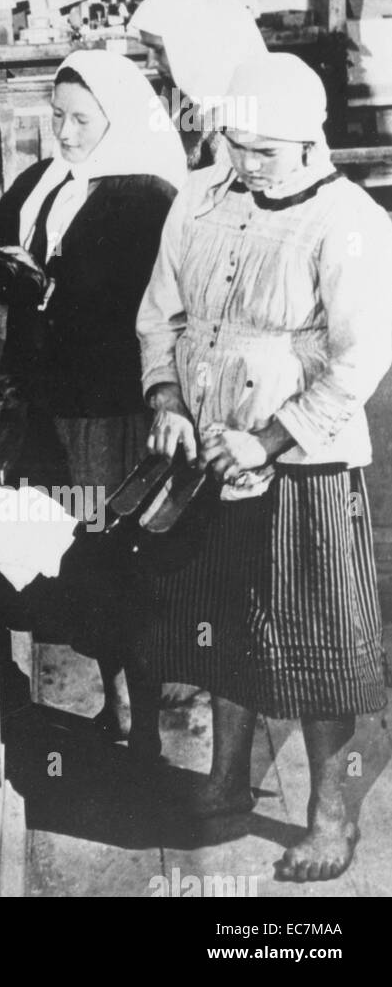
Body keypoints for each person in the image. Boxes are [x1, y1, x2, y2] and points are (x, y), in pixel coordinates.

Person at [138, 51, 392, 881]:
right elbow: (158, 314)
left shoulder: (348, 220)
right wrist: (167, 401)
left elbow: (359, 365)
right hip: (210, 452)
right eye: (234, 145)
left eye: (264, 152)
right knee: (221, 622)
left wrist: (269, 437)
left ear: (309, 140)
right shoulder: (200, 200)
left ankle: (327, 815)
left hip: (302, 467)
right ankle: (225, 779)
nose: (245, 165)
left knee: (312, 644)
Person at [0, 50, 187, 760]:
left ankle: (144, 719)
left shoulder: (145, 194)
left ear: (118, 120)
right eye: (56, 117)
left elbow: (146, 308)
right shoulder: (44, 180)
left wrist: (48, 289)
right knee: (73, 556)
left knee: (118, 559)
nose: (63, 133)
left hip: (106, 407)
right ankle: (112, 698)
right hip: (46, 402)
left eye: (80, 120)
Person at [129, 0, 268, 170]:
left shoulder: (249, 114)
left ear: (194, 49)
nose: (150, 63)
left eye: (158, 50)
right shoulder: (176, 93)